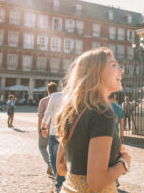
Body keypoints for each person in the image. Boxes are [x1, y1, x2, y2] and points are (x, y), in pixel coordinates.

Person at [56, 47, 131, 192]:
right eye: (114, 65)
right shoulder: (102, 112)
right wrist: (123, 162)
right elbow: (96, 182)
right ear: (97, 72)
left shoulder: (71, 111)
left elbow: (61, 169)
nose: (121, 70)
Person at [41, 84, 65, 192]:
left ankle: (59, 183)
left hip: (55, 132)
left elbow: (48, 112)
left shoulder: (55, 96)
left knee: (55, 159)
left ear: (63, 85)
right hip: (70, 134)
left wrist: (44, 126)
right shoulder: (76, 96)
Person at [37, 82, 57, 176]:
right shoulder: (60, 100)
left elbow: (41, 116)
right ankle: (54, 166)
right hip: (56, 129)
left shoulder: (43, 100)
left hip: (45, 128)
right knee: (54, 149)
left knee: (42, 147)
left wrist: (39, 129)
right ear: (56, 89)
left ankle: (49, 164)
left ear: (47, 90)